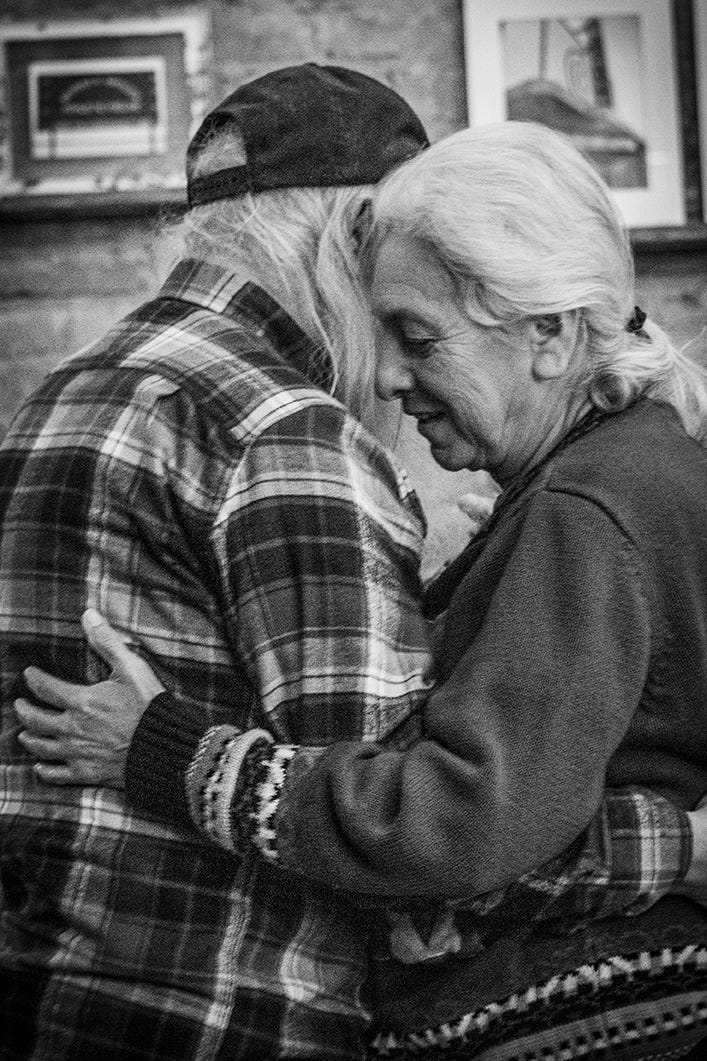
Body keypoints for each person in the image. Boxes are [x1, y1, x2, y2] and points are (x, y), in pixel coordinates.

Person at [15, 120, 707, 1061]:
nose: (384, 375)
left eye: (417, 337)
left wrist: (165, 751)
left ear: (547, 332)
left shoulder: (586, 505)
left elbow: (452, 827)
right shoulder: (635, 472)